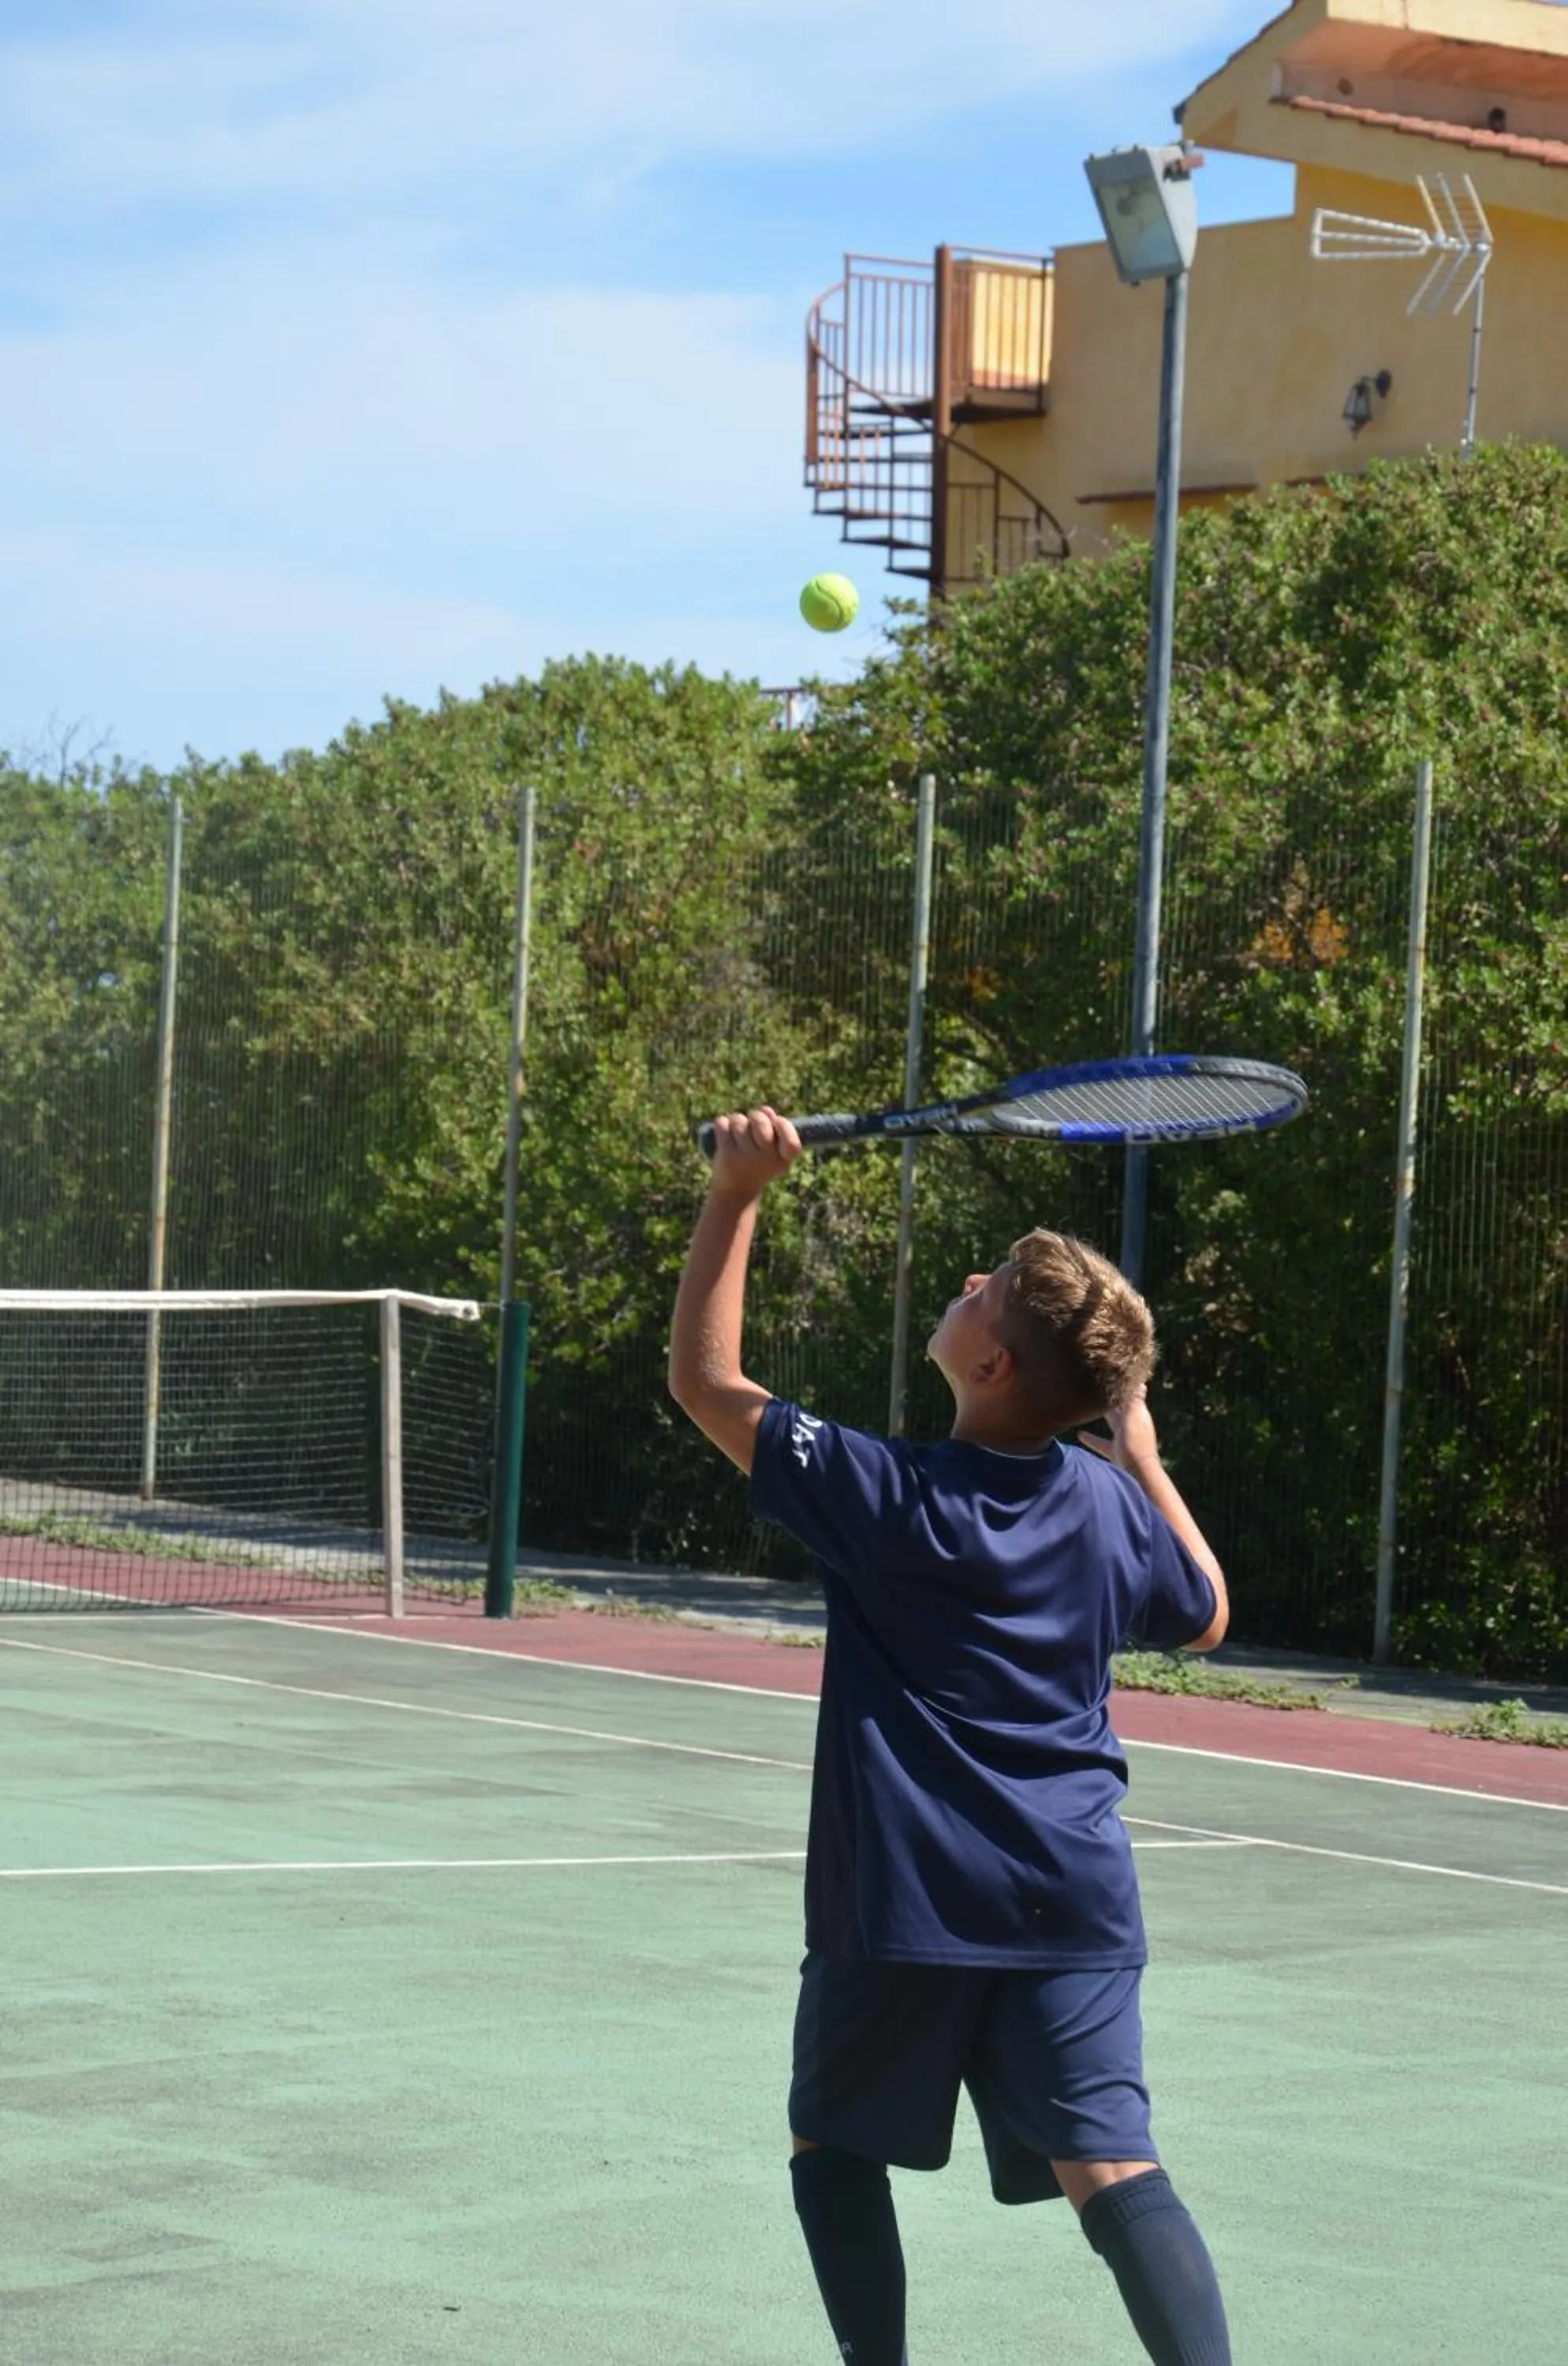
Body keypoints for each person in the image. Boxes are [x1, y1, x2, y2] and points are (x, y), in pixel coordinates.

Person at [667, 1106, 1234, 2366]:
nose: (968, 1283)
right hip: (1072, 1897)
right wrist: (1140, 1458)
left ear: (990, 1370)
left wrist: (737, 1194)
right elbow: (1207, 1612)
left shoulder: (889, 1497)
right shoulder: (1104, 1508)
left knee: (833, 2144)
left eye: (986, 1288)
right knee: (1112, 2162)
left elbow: (706, 1382)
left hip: (906, 1904)